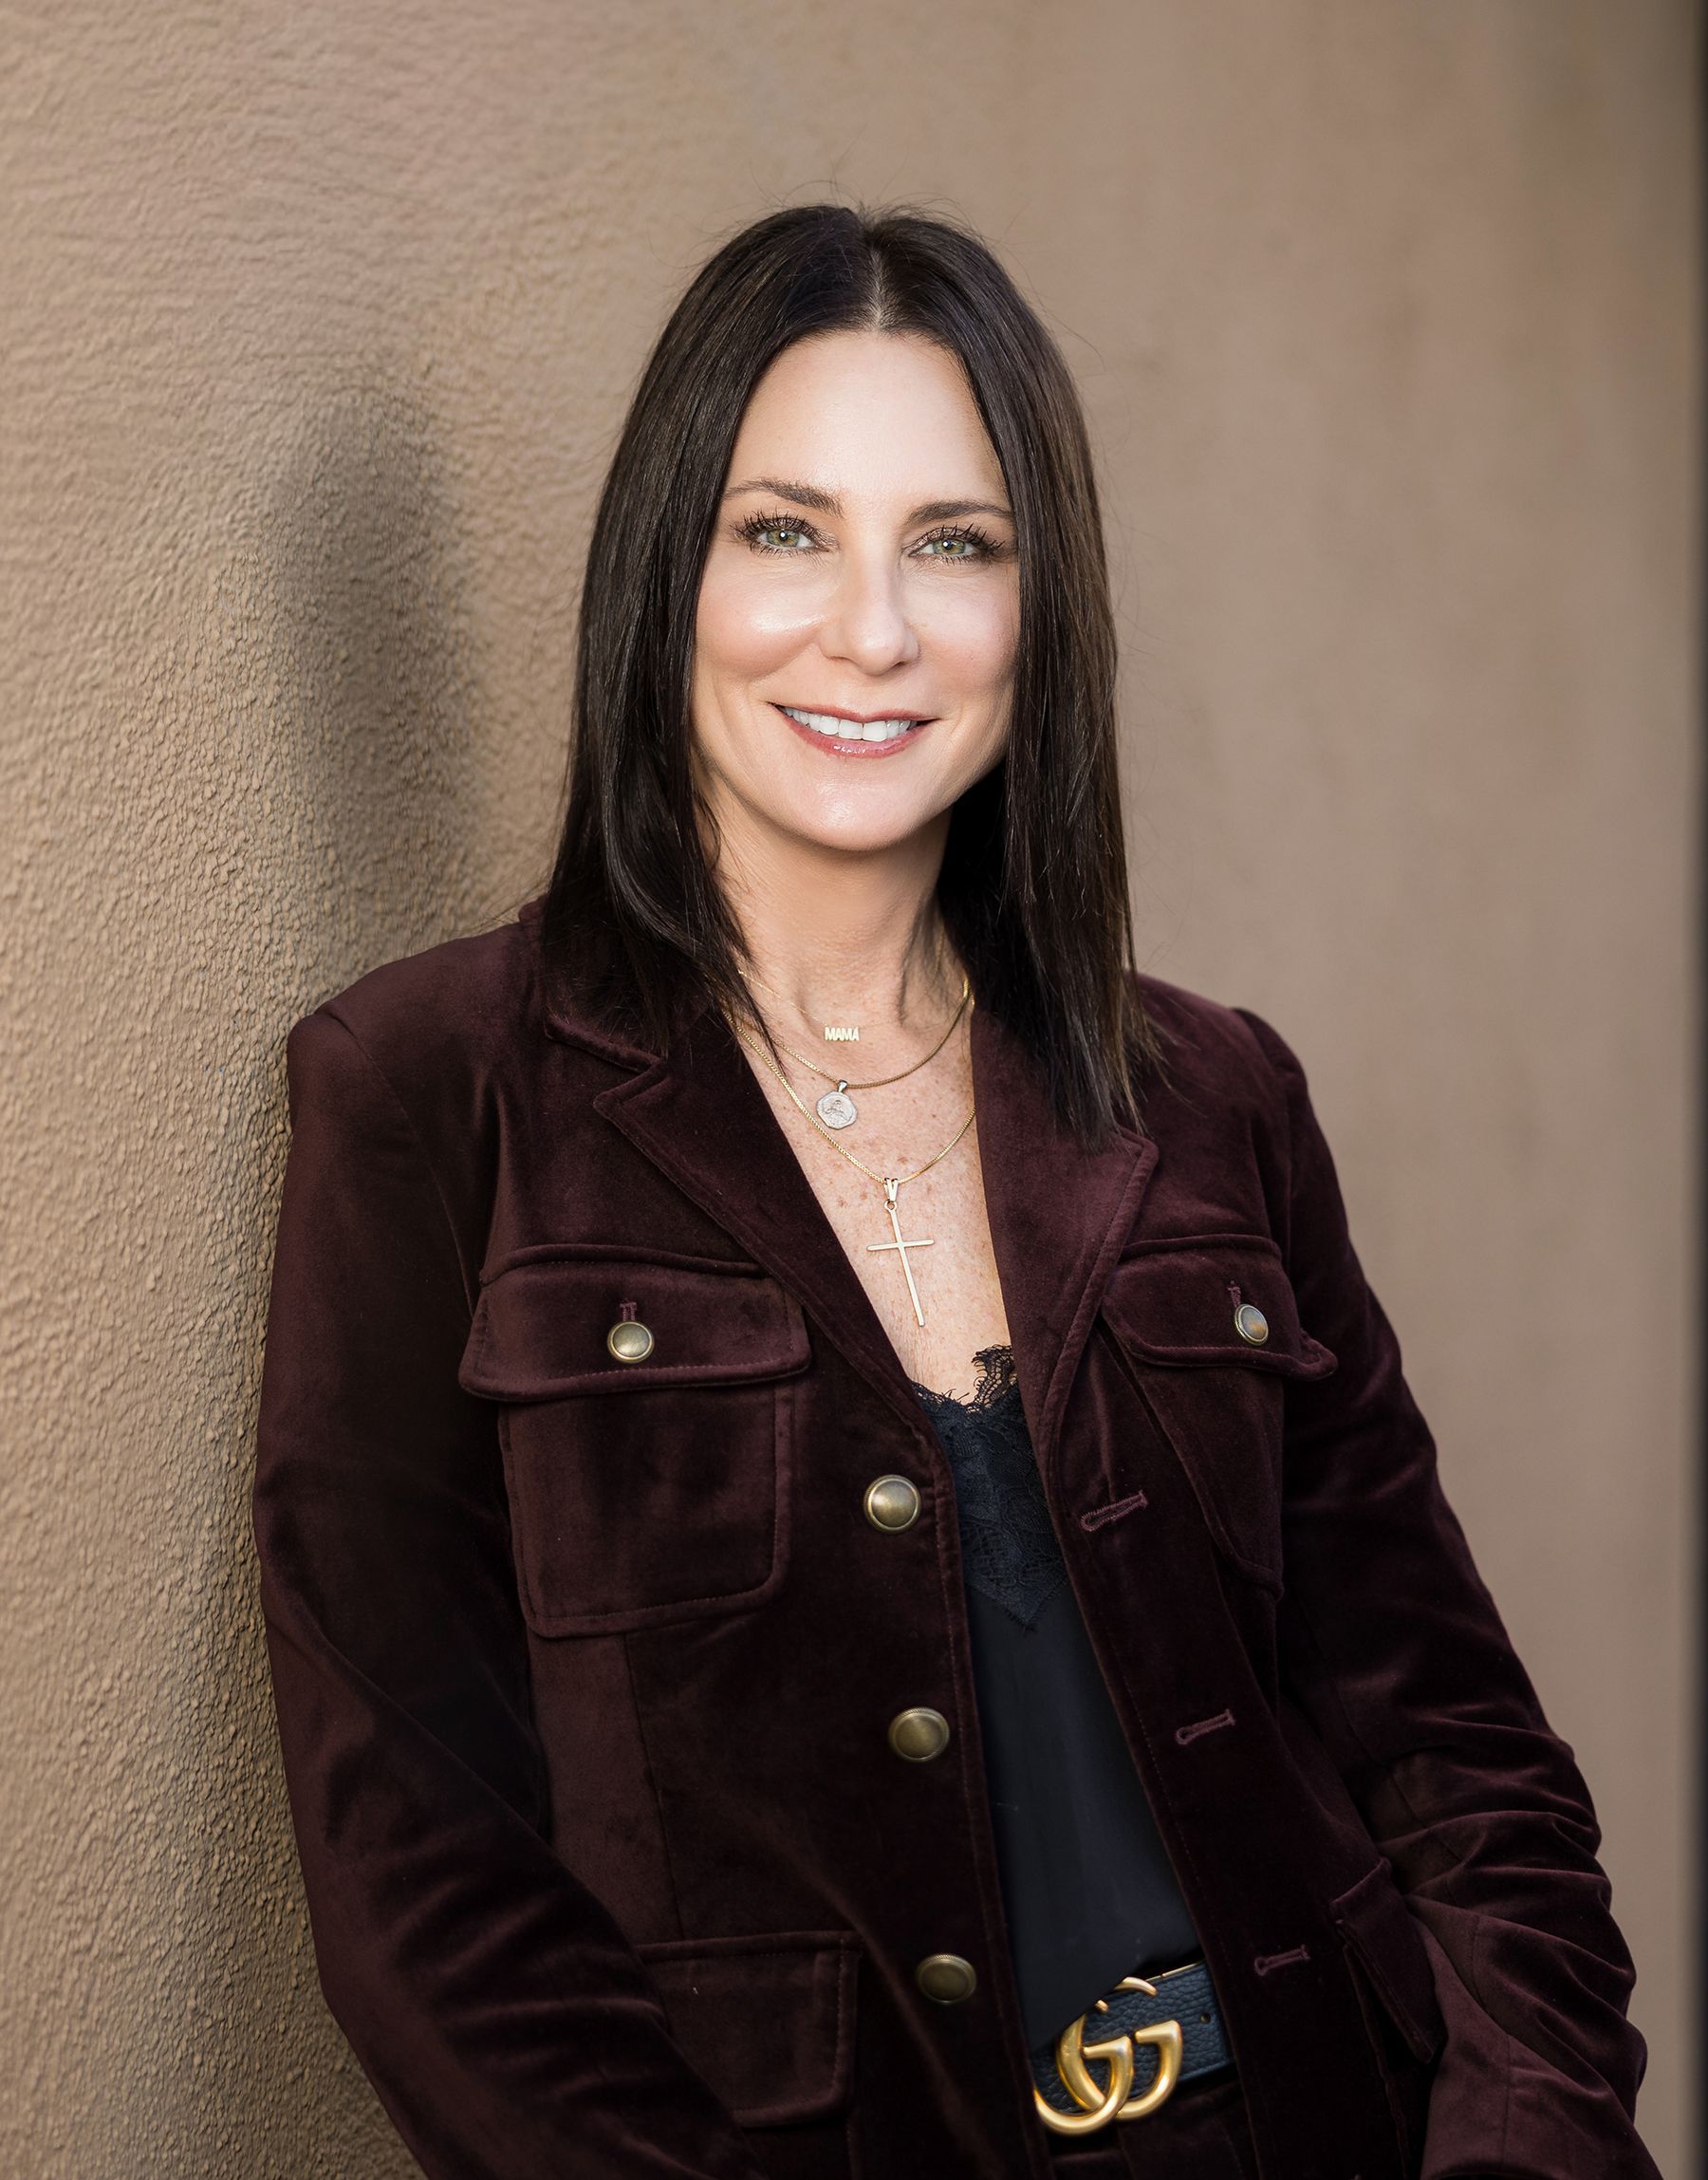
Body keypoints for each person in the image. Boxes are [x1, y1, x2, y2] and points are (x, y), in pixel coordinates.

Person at [251, 202, 1659, 2180]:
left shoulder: (1211, 1095)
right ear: (668, 567)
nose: (875, 632)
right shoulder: (428, 1096)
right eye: (786, 531)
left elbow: (1462, 1761)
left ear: (1037, 610)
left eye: (957, 546)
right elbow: (419, 1860)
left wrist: (1524, 2147)